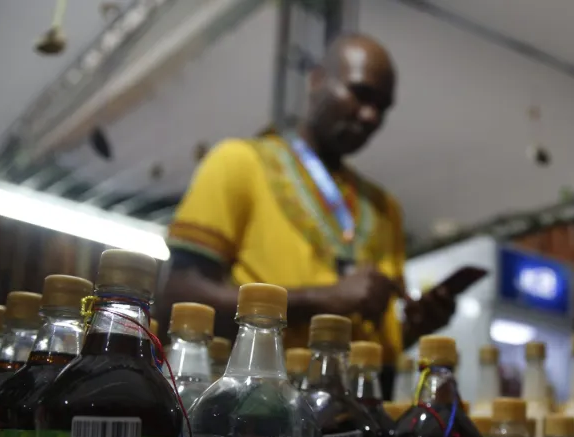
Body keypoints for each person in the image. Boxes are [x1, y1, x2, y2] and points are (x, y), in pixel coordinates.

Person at [161, 33, 455, 388]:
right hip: (259, 411)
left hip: (357, 416)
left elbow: (375, 347)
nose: (370, 115)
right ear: (316, 80)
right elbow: (177, 298)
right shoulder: (238, 164)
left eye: (382, 106)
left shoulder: (385, 210)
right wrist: (326, 299)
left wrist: (414, 328)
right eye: (360, 93)